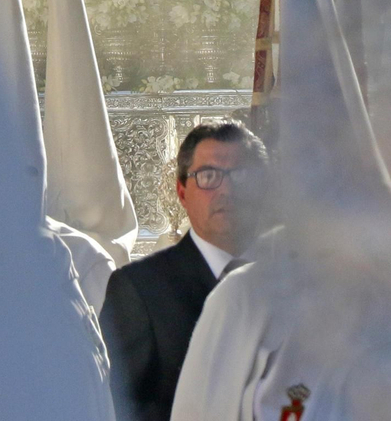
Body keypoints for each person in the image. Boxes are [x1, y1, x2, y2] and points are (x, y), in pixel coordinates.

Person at [102, 122, 268, 421]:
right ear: (182, 192)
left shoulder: (298, 283)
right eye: (208, 176)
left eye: (242, 176)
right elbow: (119, 407)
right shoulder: (139, 290)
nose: (226, 190)